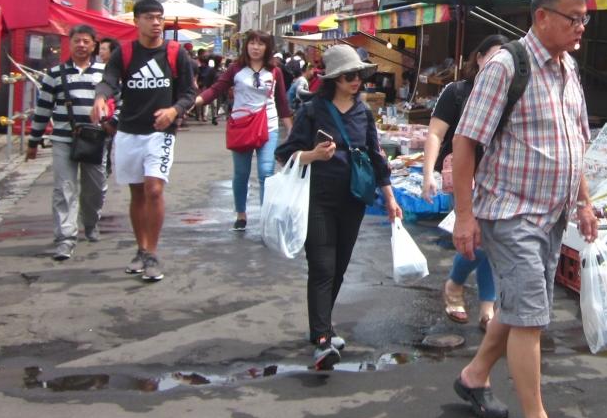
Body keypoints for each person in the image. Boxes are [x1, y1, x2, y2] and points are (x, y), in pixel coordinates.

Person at [450, 0, 597, 418]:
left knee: (518, 307)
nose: (581, 28)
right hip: (512, 212)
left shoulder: (568, 67)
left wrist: (584, 202)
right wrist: (465, 215)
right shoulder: (506, 66)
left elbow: (576, 141)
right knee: (531, 314)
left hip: (552, 214)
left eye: (584, 19)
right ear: (542, 17)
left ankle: (474, 376)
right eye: (573, 18)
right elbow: (465, 141)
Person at [275, 43, 403, 371]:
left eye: (358, 74)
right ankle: (322, 339)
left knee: (339, 267)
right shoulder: (312, 111)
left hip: (353, 200)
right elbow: (285, 154)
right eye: (348, 76)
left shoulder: (363, 113)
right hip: (317, 199)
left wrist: (390, 198)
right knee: (322, 267)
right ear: (333, 79)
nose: (356, 80)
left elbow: (377, 157)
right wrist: (313, 155)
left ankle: (322, 326)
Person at [92, 0, 198, 283]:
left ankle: (152, 252)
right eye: (150, 18)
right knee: (137, 193)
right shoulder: (125, 53)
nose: (156, 23)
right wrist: (100, 98)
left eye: (159, 18)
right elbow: (109, 80)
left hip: (161, 133)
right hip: (128, 131)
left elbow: (189, 92)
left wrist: (174, 110)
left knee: (154, 189)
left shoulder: (175, 53)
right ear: (136, 21)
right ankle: (141, 249)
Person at [422, 34, 505, 328]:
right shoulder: (457, 91)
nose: (498, 64)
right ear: (479, 58)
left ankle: (486, 307)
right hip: (464, 177)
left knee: (490, 243)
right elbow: (435, 134)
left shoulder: (509, 94)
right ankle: (455, 285)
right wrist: (427, 173)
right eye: (492, 56)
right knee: (478, 240)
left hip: (497, 179)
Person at [191, 30, 292, 231]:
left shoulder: (275, 71)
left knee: (266, 172)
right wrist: (196, 101)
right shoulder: (236, 68)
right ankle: (241, 214)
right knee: (241, 173)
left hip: (268, 125)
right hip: (242, 125)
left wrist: (291, 130)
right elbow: (217, 89)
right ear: (246, 45)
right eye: (252, 43)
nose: (256, 47)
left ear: (267, 48)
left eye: (261, 44)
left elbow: (282, 102)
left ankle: (265, 217)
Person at [26, 24, 108, 261]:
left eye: (86, 41)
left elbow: (119, 102)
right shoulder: (55, 74)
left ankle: (91, 222)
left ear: (94, 45)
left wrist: (112, 122)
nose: (81, 45)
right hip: (64, 139)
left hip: (95, 140)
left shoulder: (105, 74)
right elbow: (43, 109)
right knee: (64, 188)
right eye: (76, 41)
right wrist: (34, 140)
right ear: (69, 44)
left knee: (96, 188)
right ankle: (65, 238)